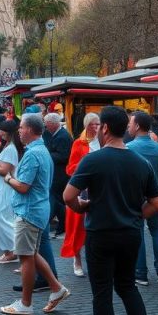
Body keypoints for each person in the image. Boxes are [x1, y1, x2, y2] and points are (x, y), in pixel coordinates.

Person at [63, 106, 158, 315]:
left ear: (105, 128)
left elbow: (68, 196)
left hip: (100, 233)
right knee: (127, 286)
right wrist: (135, 215)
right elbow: (157, 203)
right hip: (130, 233)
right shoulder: (141, 162)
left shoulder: (93, 160)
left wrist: (82, 207)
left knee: (102, 292)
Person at [0, 112, 70, 315]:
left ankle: (25, 304)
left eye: (21, 127)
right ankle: (56, 289)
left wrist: (7, 178)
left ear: (29, 129)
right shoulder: (41, 149)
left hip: (29, 210)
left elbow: (23, 187)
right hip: (37, 209)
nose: (19, 131)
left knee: (25, 257)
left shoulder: (32, 153)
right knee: (31, 253)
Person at [126, 110, 158, 287]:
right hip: (155, 195)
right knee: (156, 230)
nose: (128, 126)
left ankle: (141, 273)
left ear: (136, 126)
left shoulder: (129, 149)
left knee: (138, 232)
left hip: (134, 197)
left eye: (130, 124)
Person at [60, 112, 99, 277]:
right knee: (76, 226)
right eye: (93, 124)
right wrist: (86, 165)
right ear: (86, 125)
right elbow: (70, 168)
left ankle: (95, 260)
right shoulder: (78, 143)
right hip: (81, 189)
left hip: (98, 189)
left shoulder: (104, 142)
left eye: (98, 124)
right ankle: (77, 259)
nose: (96, 127)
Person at [0, 118, 24, 264]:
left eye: (2, 130)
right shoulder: (8, 146)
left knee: (1, 217)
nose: (0, 132)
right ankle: (11, 250)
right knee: (0, 217)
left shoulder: (10, 148)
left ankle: (13, 250)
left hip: (5, 187)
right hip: (2, 185)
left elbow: (5, 171)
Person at [43, 112, 72, 239]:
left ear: (54, 124)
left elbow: (64, 156)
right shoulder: (50, 133)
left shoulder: (63, 137)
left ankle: (62, 226)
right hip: (55, 172)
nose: (45, 126)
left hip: (60, 173)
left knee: (57, 199)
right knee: (56, 199)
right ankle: (61, 225)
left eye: (47, 124)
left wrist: (46, 154)